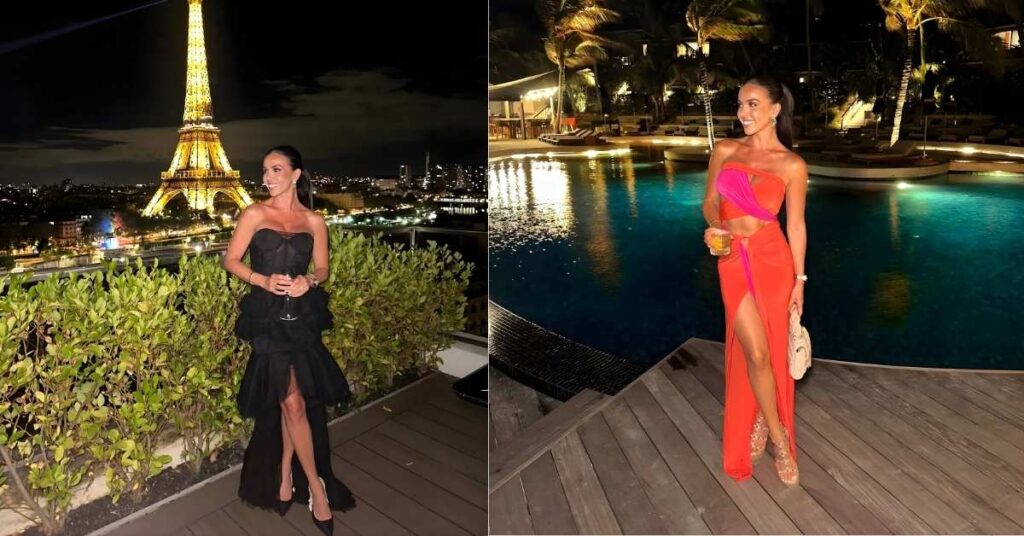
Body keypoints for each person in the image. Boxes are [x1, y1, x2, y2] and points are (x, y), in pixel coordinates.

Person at [222, 145, 355, 535]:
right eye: (264, 170)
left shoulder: (315, 220)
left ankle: (285, 475)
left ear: (296, 174)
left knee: (289, 400)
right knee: (292, 402)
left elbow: (323, 267)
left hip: (301, 319)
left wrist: (308, 281)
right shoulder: (254, 213)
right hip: (266, 319)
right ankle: (316, 487)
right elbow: (230, 259)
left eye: (276, 169)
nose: (267, 177)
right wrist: (262, 280)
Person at [701, 75, 808, 486]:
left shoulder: (792, 165)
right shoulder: (725, 150)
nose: (743, 112)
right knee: (757, 353)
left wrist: (800, 279)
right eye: (740, 104)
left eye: (752, 104)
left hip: (773, 259)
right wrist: (715, 227)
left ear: (775, 110)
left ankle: (766, 423)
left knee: (770, 353)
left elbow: (796, 225)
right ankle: (780, 439)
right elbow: (711, 201)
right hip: (731, 258)